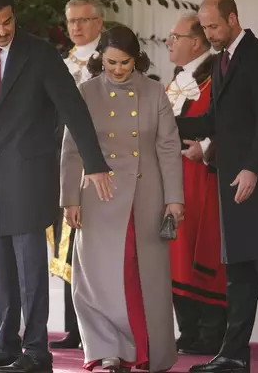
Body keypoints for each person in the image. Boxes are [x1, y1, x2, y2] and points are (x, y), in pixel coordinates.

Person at [0, 0, 112, 373]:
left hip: (30, 176)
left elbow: (72, 108)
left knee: (31, 270)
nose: (3, 29)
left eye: (8, 21)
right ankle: (6, 348)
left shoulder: (39, 53)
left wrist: (95, 164)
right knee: (1, 267)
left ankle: (37, 352)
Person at [176, 0, 258, 373]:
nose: (209, 33)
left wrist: (253, 169)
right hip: (232, 181)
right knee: (238, 272)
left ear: (232, 18)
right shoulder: (223, 61)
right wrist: (165, 122)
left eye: (214, 26)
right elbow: (212, 120)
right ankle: (233, 355)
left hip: (256, 182)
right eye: (205, 27)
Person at [61, 25, 183, 373]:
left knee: (137, 273)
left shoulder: (155, 91)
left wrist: (174, 199)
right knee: (98, 277)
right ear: (101, 58)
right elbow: (71, 150)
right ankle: (106, 349)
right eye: (111, 62)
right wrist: (70, 199)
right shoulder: (85, 92)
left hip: (144, 196)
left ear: (136, 59)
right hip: (98, 196)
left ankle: (141, 351)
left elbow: (169, 148)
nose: (117, 69)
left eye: (125, 63)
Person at [165, 13, 227, 356]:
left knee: (204, 249)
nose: (170, 42)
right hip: (175, 179)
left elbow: (232, 118)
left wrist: (205, 148)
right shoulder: (180, 78)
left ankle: (210, 332)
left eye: (175, 36)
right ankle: (188, 329)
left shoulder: (218, 74)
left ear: (197, 41)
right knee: (176, 253)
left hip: (205, 176)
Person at [48, 0, 103, 351]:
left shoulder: (110, 60)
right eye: (72, 21)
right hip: (61, 159)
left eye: (84, 20)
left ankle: (98, 326)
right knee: (66, 247)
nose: (77, 28)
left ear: (99, 22)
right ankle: (73, 324)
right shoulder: (57, 62)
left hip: (97, 164)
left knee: (95, 246)